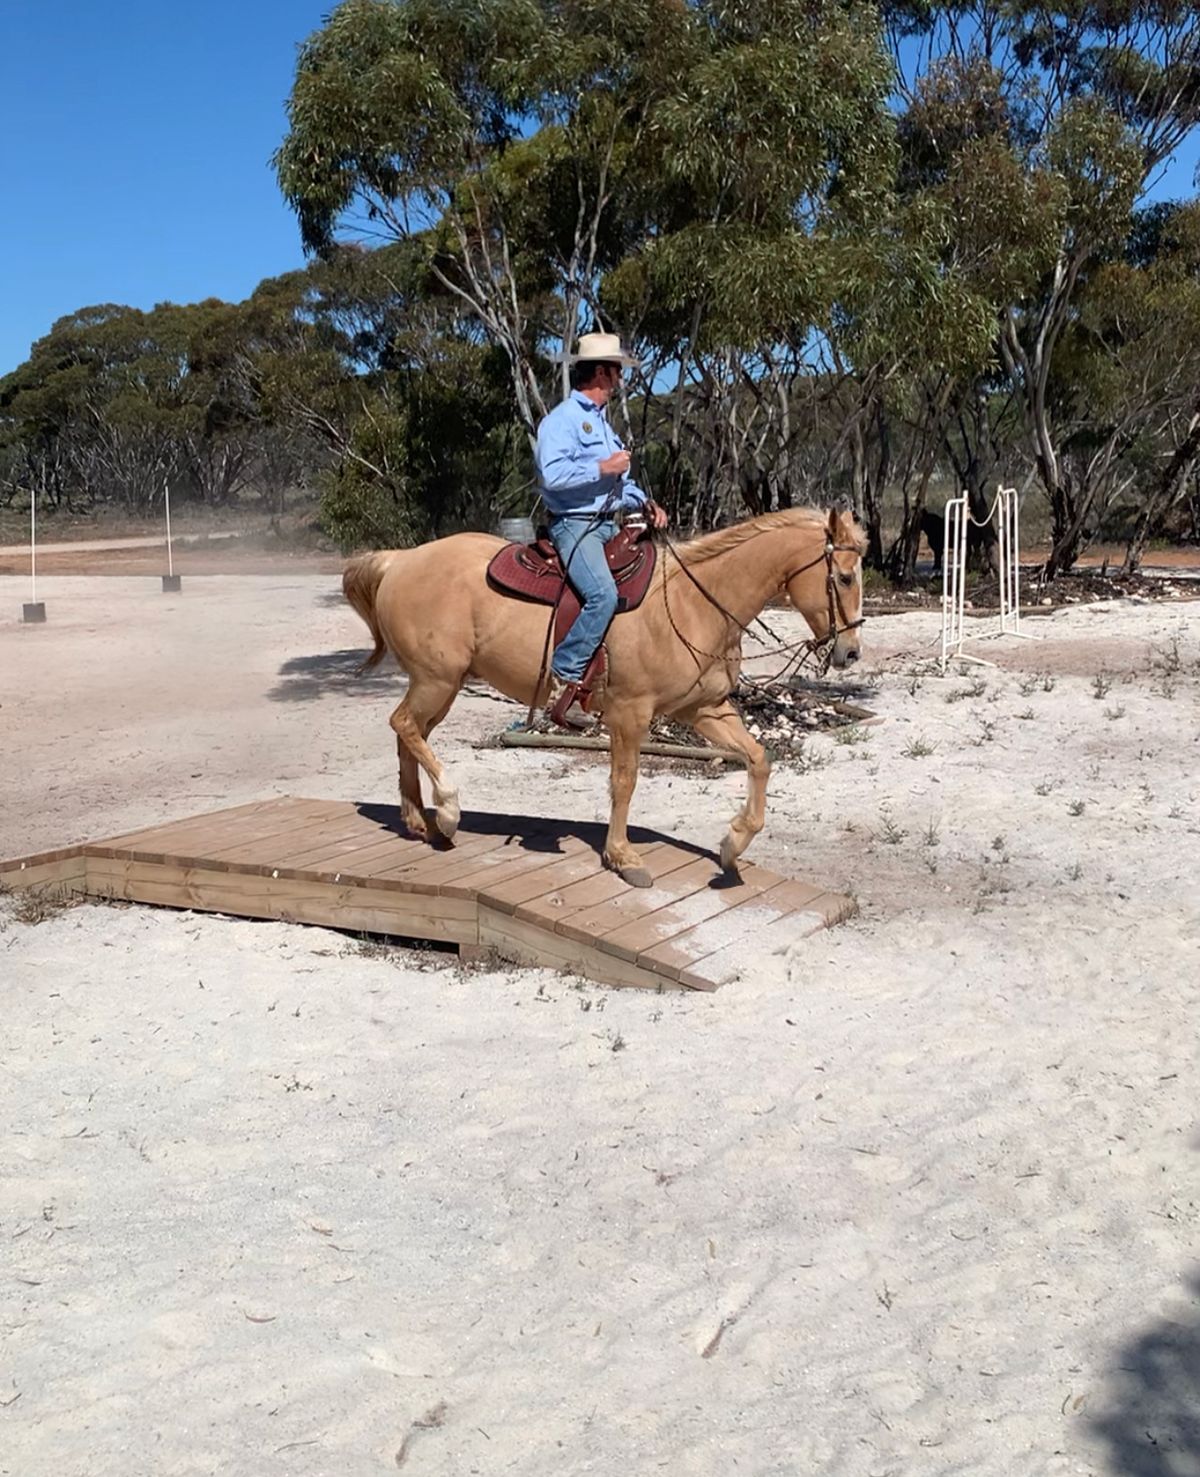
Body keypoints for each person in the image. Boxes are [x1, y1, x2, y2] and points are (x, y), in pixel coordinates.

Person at [535, 331, 668, 729]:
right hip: (575, 526)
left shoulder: (601, 424)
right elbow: (551, 475)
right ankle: (564, 681)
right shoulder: (562, 421)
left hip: (607, 523)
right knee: (602, 595)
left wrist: (644, 501)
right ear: (603, 373)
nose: (620, 381)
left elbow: (618, 484)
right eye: (617, 372)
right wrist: (602, 468)